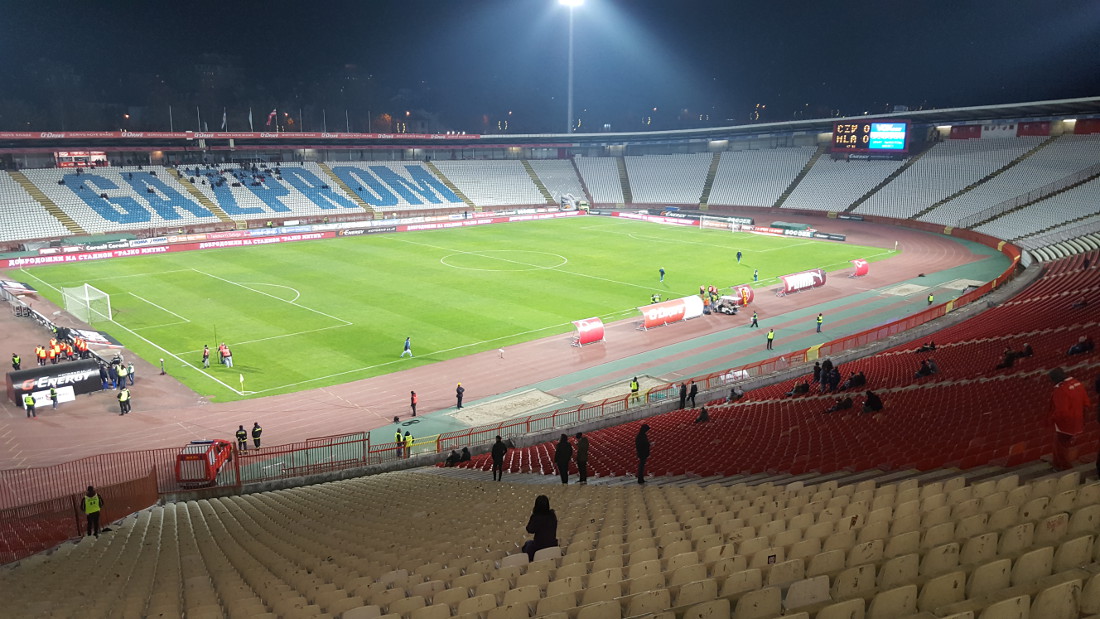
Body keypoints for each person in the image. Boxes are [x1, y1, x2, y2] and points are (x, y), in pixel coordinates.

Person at [1049, 368, 1092, 470]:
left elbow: (1062, 411)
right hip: (1078, 420)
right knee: (1062, 444)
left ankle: (1063, 467)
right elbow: (1086, 403)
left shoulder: (1060, 390)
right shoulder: (1077, 383)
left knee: (1060, 446)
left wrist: (1053, 418)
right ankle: (1058, 465)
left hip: (1066, 424)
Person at [522, 495, 558, 561]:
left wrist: (533, 517)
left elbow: (529, 529)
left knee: (527, 545)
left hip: (539, 547)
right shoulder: (552, 515)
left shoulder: (536, 517)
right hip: (552, 545)